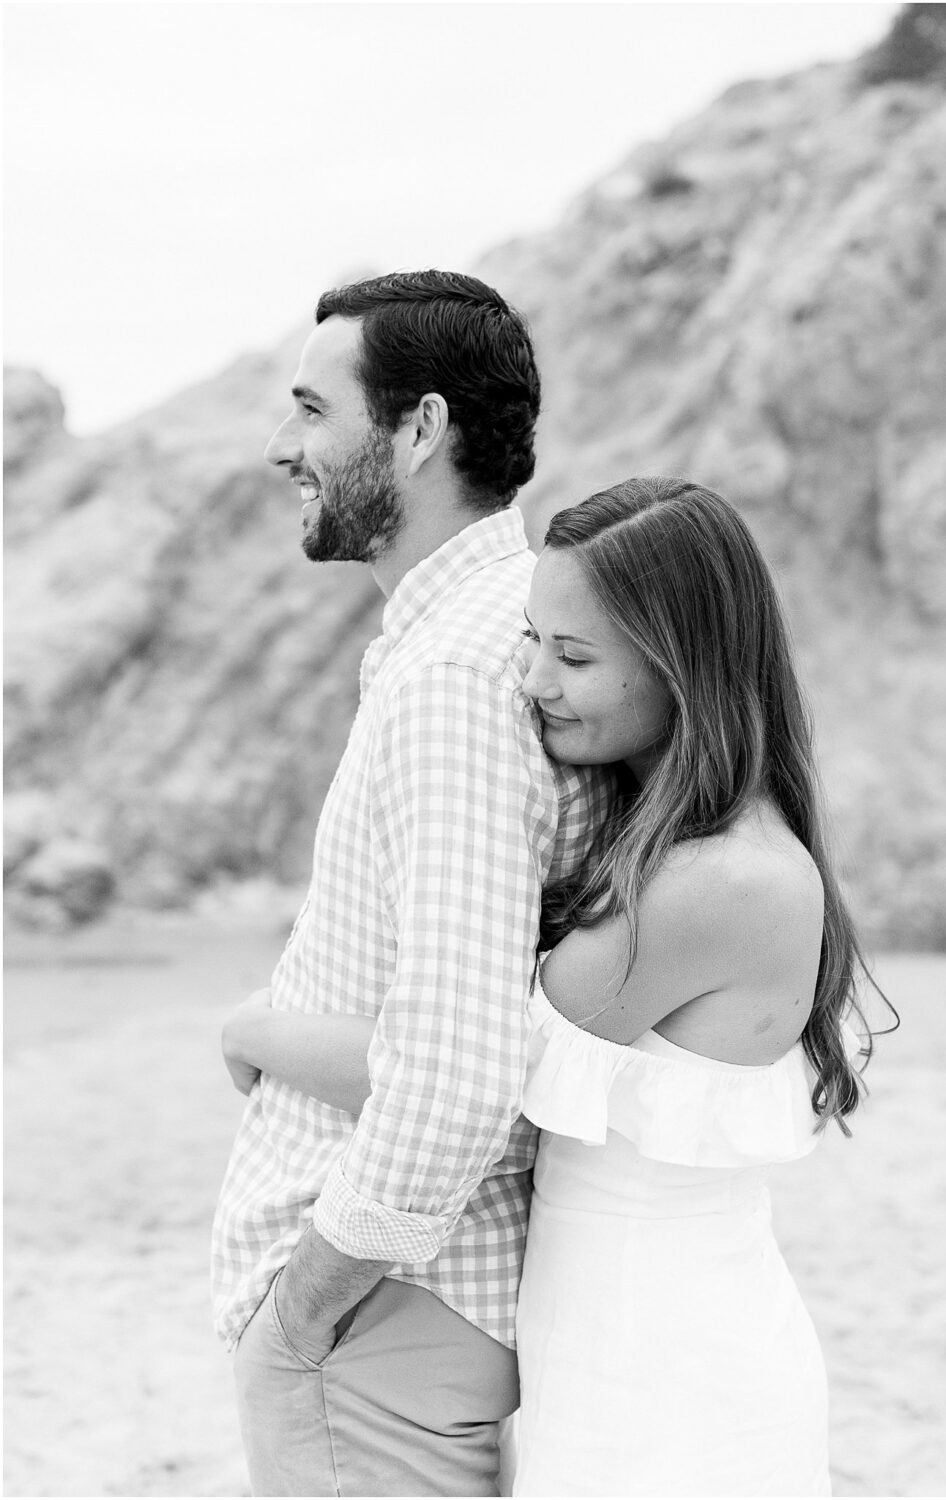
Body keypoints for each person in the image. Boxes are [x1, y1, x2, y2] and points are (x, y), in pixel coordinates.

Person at [225, 476, 895, 1497]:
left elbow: (463, 1073)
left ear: (684, 666)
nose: (533, 680)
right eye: (531, 640)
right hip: (619, 1338)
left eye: (574, 656)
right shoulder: (695, 847)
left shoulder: (714, 883)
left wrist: (255, 1031)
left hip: (663, 1369)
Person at [211, 269, 610, 1499]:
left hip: (382, 1324)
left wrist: (301, 1314)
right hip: (419, 1321)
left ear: (420, 428)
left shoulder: (457, 671)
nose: (284, 447)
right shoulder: (512, 632)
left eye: (312, 411)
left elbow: (457, 1063)